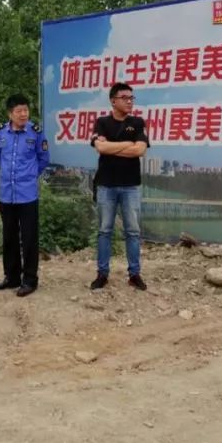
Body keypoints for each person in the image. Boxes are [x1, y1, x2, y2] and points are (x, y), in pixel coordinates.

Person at [90, 82, 149, 291]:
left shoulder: (138, 122)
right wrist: (127, 144)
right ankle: (102, 274)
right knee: (104, 231)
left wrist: (111, 147)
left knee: (132, 232)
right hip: (106, 185)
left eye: (132, 98)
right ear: (113, 100)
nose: (129, 101)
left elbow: (140, 151)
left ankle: (134, 274)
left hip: (131, 186)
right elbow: (100, 147)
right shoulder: (102, 122)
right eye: (125, 98)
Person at [0, 94, 50, 296]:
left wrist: (30, 176)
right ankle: (12, 277)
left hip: (27, 195)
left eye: (26, 110)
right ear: (10, 113)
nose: (23, 114)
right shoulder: (1, 133)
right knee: (9, 237)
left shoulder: (36, 133)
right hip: (7, 194)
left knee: (29, 238)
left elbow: (43, 159)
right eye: (19, 111)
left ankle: (30, 280)